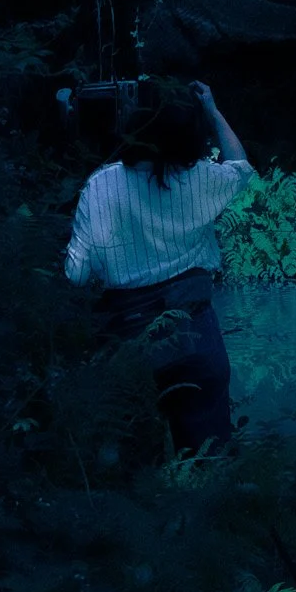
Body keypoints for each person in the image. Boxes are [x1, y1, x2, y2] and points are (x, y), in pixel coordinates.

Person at [65, 79, 252, 453]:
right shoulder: (201, 178)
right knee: (207, 468)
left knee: (137, 478)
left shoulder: (101, 186)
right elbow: (240, 166)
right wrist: (213, 110)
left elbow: (76, 275)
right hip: (196, 335)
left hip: (129, 341)